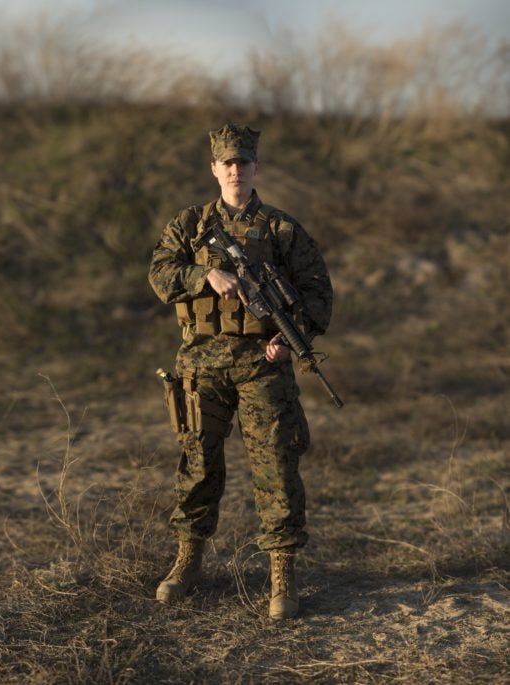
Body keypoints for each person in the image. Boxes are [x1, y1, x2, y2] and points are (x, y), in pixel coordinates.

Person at [148, 123, 333, 620]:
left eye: (244, 163)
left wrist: (289, 338)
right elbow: (160, 275)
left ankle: (282, 571)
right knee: (199, 464)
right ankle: (187, 561)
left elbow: (318, 292)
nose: (235, 170)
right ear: (214, 169)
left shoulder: (281, 229)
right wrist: (205, 273)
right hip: (201, 364)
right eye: (227, 163)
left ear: (255, 168)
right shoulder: (188, 225)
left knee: (276, 466)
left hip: (262, 366)